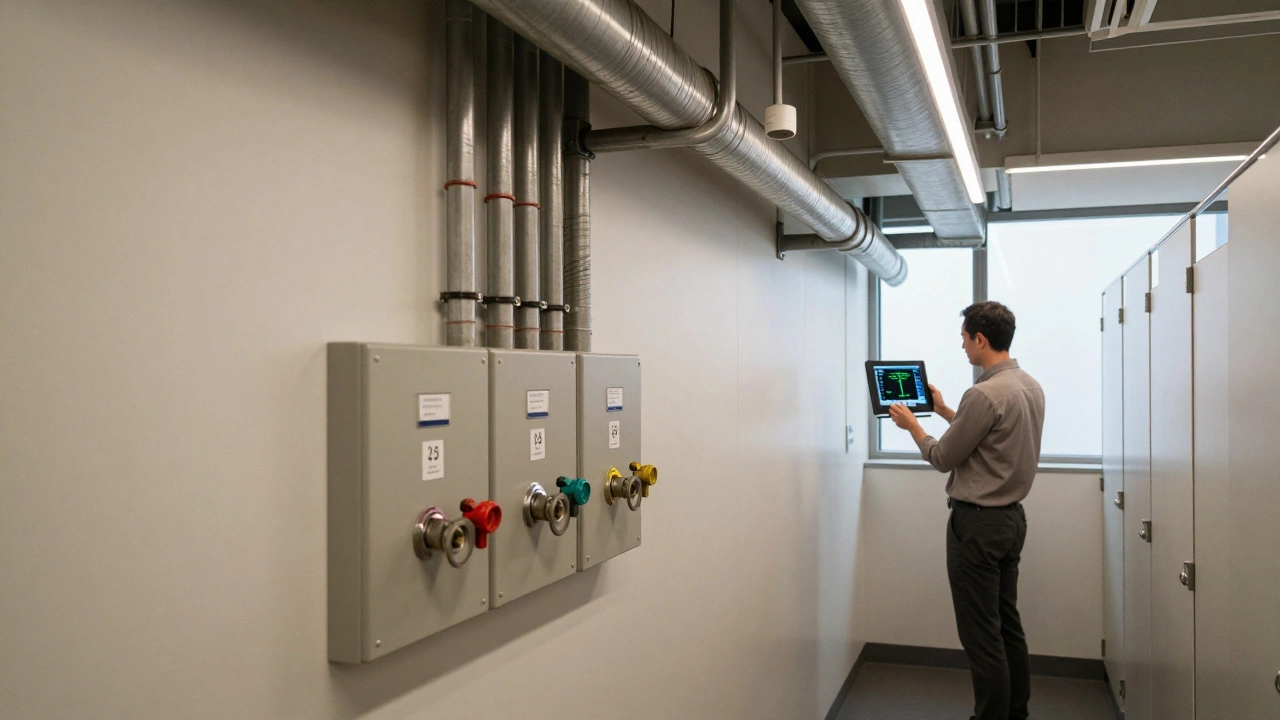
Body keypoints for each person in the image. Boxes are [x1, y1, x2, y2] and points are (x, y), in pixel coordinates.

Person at [887, 301, 1045, 720]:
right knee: (1007, 626)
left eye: (963, 338)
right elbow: (987, 436)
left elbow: (942, 456)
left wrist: (914, 427)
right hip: (1011, 522)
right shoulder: (1028, 386)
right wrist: (940, 410)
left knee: (981, 636)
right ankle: (1014, 713)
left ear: (981, 339)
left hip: (977, 526)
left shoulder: (982, 393)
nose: (961, 346)